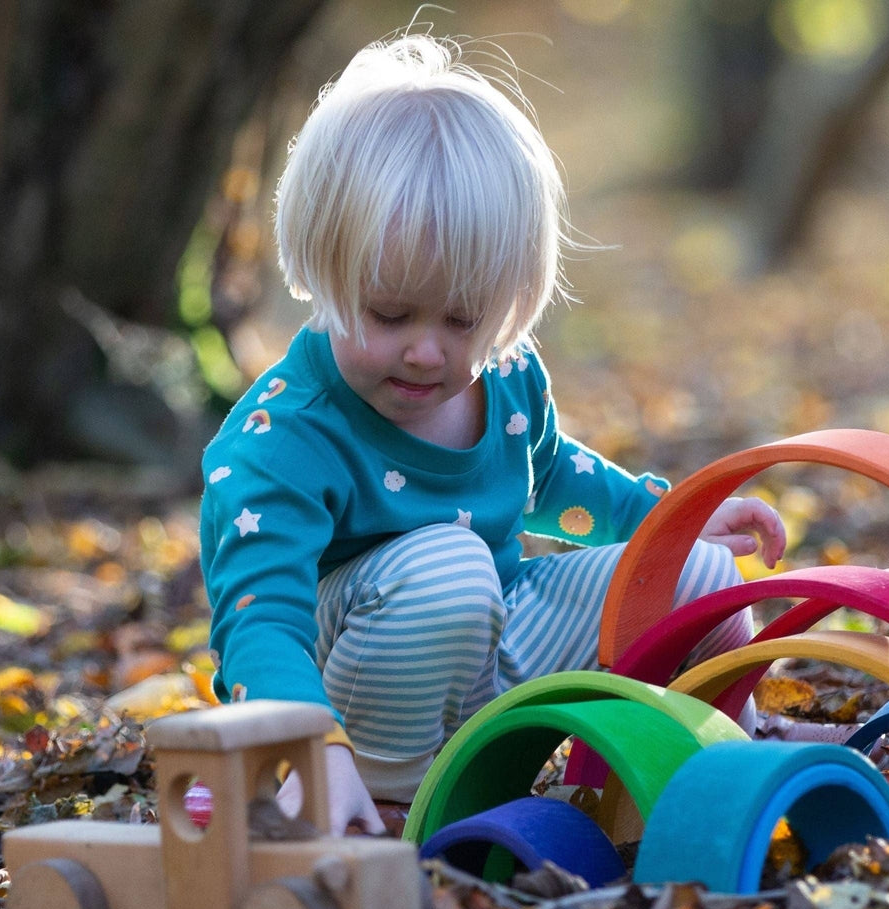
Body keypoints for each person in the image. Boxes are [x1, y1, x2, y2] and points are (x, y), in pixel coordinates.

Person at [199, 32, 787, 836]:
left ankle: (725, 751)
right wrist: (310, 745)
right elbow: (259, 622)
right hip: (346, 694)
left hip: (492, 641)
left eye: (464, 317)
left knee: (702, 573)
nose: (428, 350)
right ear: (324, 269)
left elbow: (556, 480)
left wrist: (670, 520)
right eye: (390, 313)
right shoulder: (282, 439)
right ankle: (385, 798)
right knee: (450, 568)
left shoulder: (503, 378)